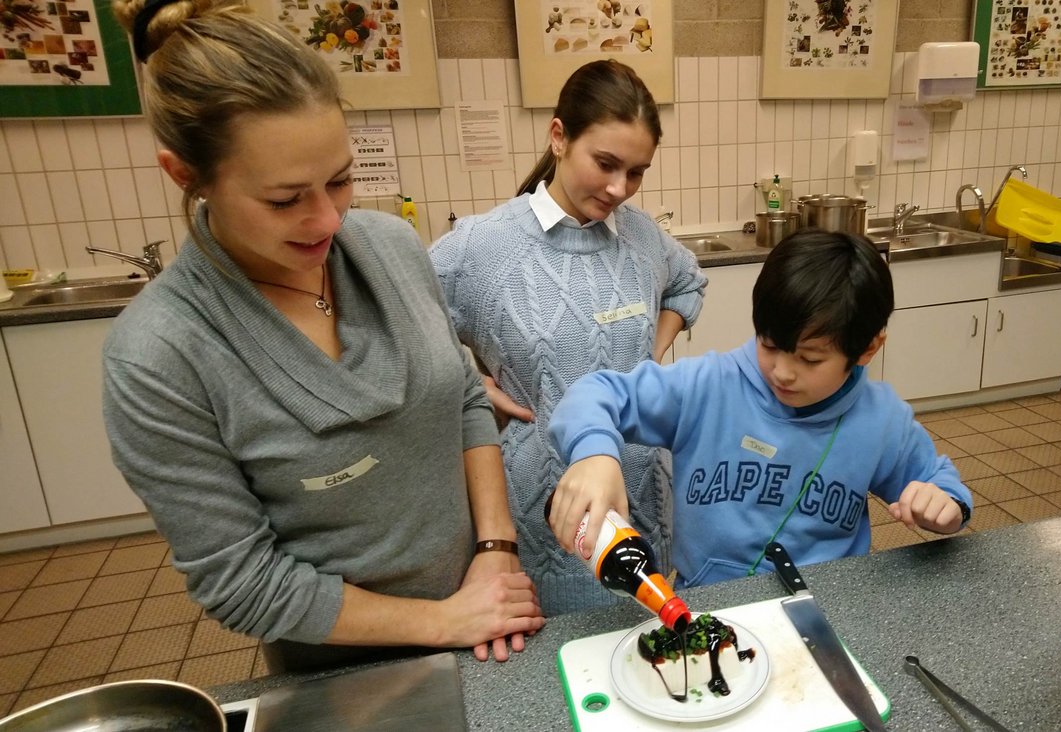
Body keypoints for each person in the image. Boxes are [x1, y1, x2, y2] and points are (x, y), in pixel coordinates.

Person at [101, 0, 543, 672]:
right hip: (342, 669)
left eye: (339, 180)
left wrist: (495, 552)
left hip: (486, 612)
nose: (328, 219)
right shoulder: (161, 355)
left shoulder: (392, 248)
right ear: (185, 175)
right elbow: (242, 581)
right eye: (285, 199)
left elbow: (462, 400)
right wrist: (443, 620)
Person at [429, 60, 707, 616]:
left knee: (645, 633)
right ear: (559, 137)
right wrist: (469, 386)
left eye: (636, 172)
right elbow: (402, 323)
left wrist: (645, 360)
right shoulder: (483, 249)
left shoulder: (643, 238)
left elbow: (687, 282)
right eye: (605, 164)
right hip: (541, 508)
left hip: (640, 490)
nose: (618, 188)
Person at [547, 229, 973, 587]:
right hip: (710, 604)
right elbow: (592, 394)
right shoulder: (707, 385)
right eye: (770, 345)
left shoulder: (883, 421)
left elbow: (943, 489)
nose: (783, 372)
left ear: (867, 349)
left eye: (809, 359)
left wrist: (943, 509)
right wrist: (594, 454)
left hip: (827, 608)